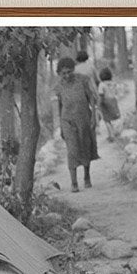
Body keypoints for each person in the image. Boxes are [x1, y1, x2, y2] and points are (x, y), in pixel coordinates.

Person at [53, 56, 99, 191]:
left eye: (69, 72)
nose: (67, 75)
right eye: (63, 73)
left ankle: (86, 176)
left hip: (84, 118)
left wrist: (94, 117)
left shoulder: (82, 80)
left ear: (73, 69)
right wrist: (61, 126)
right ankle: (73, 182)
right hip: (67, 120)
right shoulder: (58, 87)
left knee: (85, 146)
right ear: (59, 74)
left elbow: (91, 98)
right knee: (72, 150)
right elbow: (59, 106)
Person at [97, 65, 121, 141]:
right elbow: (117, 92)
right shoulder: (113, 83)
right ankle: (115, 132)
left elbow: (101, 95)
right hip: (113, 100)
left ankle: (111, 135)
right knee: (115, 117)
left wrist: (98, 105)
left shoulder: (101, 84)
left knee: (107, 120)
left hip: (105, 102)